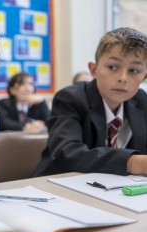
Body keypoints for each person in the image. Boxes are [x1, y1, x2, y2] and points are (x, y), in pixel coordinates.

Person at [33, 27, 147, 177]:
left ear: (144, 76)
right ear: (94, 70)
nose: (123, 78)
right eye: (112, 67)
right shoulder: (70, 98)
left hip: (116, 188)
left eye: (134, 71)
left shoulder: (141, 100)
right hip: (59, 185)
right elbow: (67, 153)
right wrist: (131, 162)